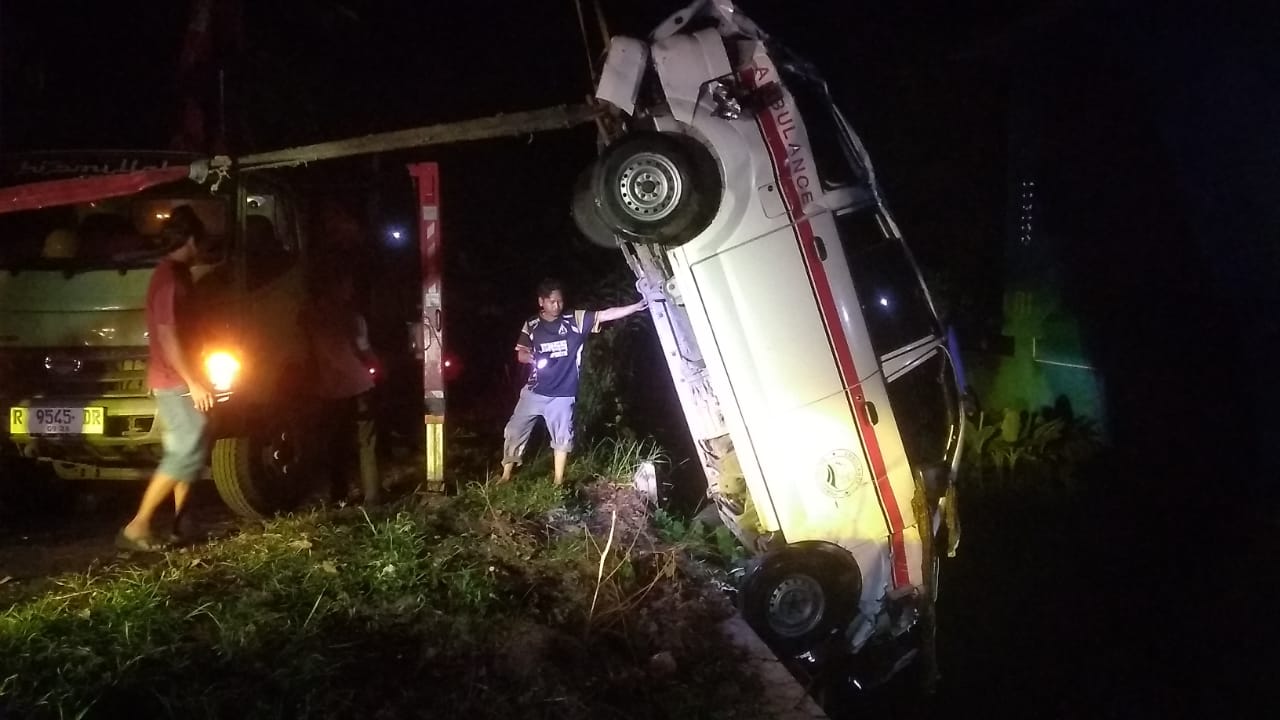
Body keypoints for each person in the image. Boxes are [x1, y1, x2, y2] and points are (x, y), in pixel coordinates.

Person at [118, 206, 214, 552]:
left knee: (189, 446)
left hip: (181, 377)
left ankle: (181, 523)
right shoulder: (170, 280)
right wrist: (193, 381)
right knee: (187, 447)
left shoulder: (179, 274)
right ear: (191, 240)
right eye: (200, 243)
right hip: (174, 380)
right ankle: (138, 525)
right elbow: (168, 336)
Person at [500, 278, 648, 486]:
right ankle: (506, 474)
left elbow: (604, 314)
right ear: (541, 301)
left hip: (563, 394)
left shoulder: (573, 320)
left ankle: (558, 481)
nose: (557, 305)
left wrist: (635, 307)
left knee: (562, 438)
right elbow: (521, 353)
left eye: (560, 301)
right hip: (535, 391)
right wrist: (532, 356)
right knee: (514, 429)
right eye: (552, 301)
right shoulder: (532, 324)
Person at [299, 262, 381, 506]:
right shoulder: (352, 318)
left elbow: (306, 350)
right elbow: (364, 350)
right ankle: (373, 495)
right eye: (347, 285)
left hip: (329, 390)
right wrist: (378, 365)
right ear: (337, 287)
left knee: (336, 443)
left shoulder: (307, 316)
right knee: (367, 441)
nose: (351, 290)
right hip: (358, 386)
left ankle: (339, 495)